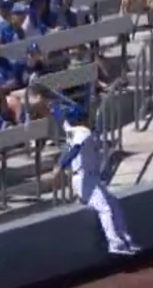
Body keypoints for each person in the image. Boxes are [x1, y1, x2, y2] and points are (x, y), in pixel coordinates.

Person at [51, 102, 140, 255]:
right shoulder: (83, 132)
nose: (89, 119)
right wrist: (62, 165)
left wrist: (54, 107)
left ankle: (125, 239)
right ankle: (115, 244)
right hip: (84, 179)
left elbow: (61, 119)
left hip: (90, 178)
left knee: (113, 203)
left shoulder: (72, 129)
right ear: (81, 119)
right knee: (104, 208)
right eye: (85, 117)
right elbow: (75, 149)